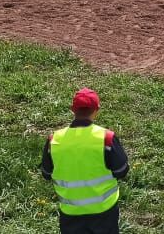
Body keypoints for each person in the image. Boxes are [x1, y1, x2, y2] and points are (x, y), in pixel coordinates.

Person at [40, 88, 130, 234]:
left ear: (72, 110)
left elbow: (46, 173)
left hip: (70, 213)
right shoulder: (106, 139)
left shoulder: (54, 140)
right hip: (104, 212)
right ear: (97, 109)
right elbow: (121, 171)